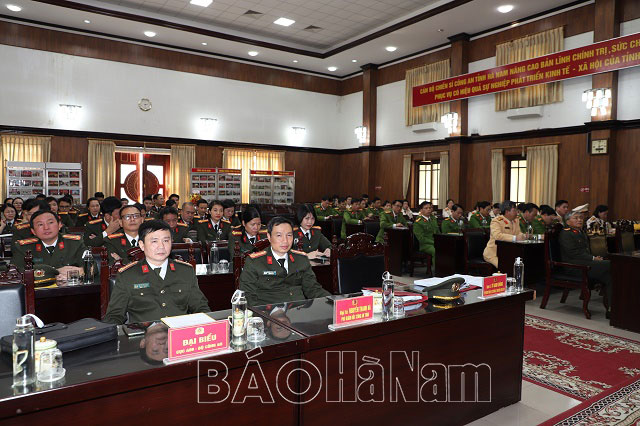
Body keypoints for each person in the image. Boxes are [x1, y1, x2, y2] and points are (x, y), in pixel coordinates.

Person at [103, 220, 210, 325]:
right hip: (144, 335)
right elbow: (114, 316)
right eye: (154, 241)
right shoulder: (128, 275)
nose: (161, 246)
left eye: (166, 241)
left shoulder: (185, 271)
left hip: (178, 333)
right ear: (142, 245)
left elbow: (201, 307)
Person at [239, 216, 330, 306]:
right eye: (279, 235)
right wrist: (263, 313)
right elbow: (248, 296)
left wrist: (333, 301)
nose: (285, 241)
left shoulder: (301, 259)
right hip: (268, 311)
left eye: (289, 235)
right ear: (269, 237)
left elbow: (313, 289)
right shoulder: (255, 262)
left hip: (298, 310)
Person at [559, 210, 611, 316]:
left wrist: (594, 258)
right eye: (576, 218)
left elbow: (585, 251)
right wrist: (593, 258)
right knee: (610, 264)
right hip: (574, 266)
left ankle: (611, 308)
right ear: (567, 221)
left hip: (585, 263)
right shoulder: (566, 233)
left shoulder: (581, 232)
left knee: (610, 276)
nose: (579, 220)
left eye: (581, 218)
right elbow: (574, 254)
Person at [11, 210, 86, 283]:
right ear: (33, 231)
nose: (46, 228)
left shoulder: (75, 243)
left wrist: (77, 272)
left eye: (50, 222)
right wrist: (55, 273)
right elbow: (14, 272)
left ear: (60, 225)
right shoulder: (23, 247)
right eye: (40, 224)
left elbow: (89, 267)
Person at [483, 201, 525, 268]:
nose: (517, 213)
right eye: (514, 210)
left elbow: (518, 233)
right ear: (507, 211)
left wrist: (524, 236)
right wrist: (515, 238)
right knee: (505, 267)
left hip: (508, 252)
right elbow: (497, 236)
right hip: (494, 254)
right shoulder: (497, 221)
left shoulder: (516, 221)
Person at [413, 201, 439, 266]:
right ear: (421, 210)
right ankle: (437, 270)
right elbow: (421, 238)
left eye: (430, 208)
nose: (429, 210)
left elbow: (438, 232)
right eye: (426, 208)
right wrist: (434, 242)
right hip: (425, 245)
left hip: (435, 242)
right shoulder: (418, 222)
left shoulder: (433, 219)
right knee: (436, 251)